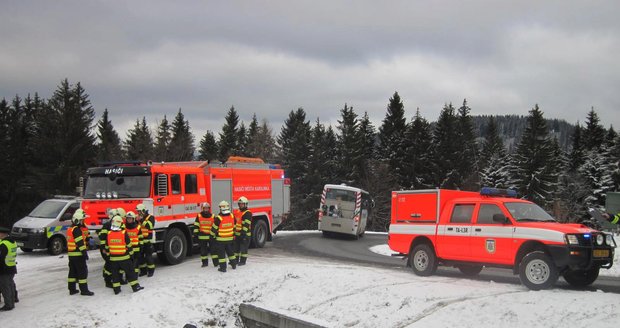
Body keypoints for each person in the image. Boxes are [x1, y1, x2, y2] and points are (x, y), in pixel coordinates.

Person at [106, 216, 143, 294]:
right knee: (130, 273)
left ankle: (116, 289)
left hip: (113, 259)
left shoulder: (109, 233)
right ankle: (135, 287)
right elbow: (129, 245)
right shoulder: (123, 233)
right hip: (124, 258)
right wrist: (132, 255)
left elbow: (107, 247)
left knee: (115, 275)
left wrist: (109, 256)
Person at [67, 209, 94, 296]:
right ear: (77, 220)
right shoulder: (77, 230)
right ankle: (84, 290)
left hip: (71, 255)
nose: (83, 222)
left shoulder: (70, 229)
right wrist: (84, 253)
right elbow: (80, 244)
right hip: (78, 255)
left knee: (72, 272)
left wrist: (86, 238)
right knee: (82, 273)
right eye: (82, 220)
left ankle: (72, 289)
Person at [211, 201, 237, 272]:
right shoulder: (232, 216)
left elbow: (214, 229)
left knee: (221, 255)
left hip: (220, 240)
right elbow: (234, 227)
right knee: (231, 253)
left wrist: (212, 236)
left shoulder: (219, 218)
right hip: (230, 239)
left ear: (221, 208)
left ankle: (223, 268)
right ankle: (234, 264)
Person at [98, 208, 117, 288]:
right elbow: (102, 238)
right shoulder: (107, 225)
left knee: (110, 263)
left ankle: (107, 277)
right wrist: (104, 249)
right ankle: (108, 281)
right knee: (109, 264)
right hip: (106, 249)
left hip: (110, 248)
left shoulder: (113, 225)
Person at [193, 202, 216, 267]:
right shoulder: (199, 216)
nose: (206, 210)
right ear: (202, 209)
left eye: (207, 208)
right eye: (204, 208)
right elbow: (196, 226)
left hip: (211, 236)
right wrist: (195, 235)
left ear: (209, 209)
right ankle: (204, 263)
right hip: (202, 237)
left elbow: (215, 226)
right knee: (203, 252)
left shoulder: (213, 216)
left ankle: (216, 263)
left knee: (214, 251)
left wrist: (215, 235)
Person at [0, 226, 17, 311]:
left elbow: (1, 258)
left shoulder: (4, 244)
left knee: (5, 287)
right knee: (10, 285)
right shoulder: (12, 242)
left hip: (4, 269)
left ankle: (9, 305)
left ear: (3, 234)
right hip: (11, 267)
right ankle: (13, 300)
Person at [136, 203, 156, 277]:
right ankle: (143, 271)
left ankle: (151, 271)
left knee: (148, 257)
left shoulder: (151, 217)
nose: (138, 213)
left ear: (143, 211)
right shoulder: (138, 218)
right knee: (140, 257)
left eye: (139, 211)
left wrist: (141, 220)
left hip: (148, 241)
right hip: (140, 241)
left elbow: (150, 226)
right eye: (137, 211)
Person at [234, 196, 252, 266]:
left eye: (242, 204)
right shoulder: (238, 211)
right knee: (236, 249)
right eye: (240, 204)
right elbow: (236, 222)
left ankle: (242, 261)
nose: (241, 205)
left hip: (245, 234)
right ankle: (235, 260)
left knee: (243, 249)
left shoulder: (248, 213)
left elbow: (246, 225)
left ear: (245, 204)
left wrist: (243, 233)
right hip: (238, 234)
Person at [125, 211, 143, 276]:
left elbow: (140, 238)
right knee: (128, 263)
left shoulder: (138, 227)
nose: (129, 220)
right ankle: (129, 276)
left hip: (136, 248)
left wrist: (141, 246)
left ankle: (135, 276)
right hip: (127, 249)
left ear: (133, 219)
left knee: (135, 263)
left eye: (130, 218)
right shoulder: (124, 227)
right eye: (128, 218)